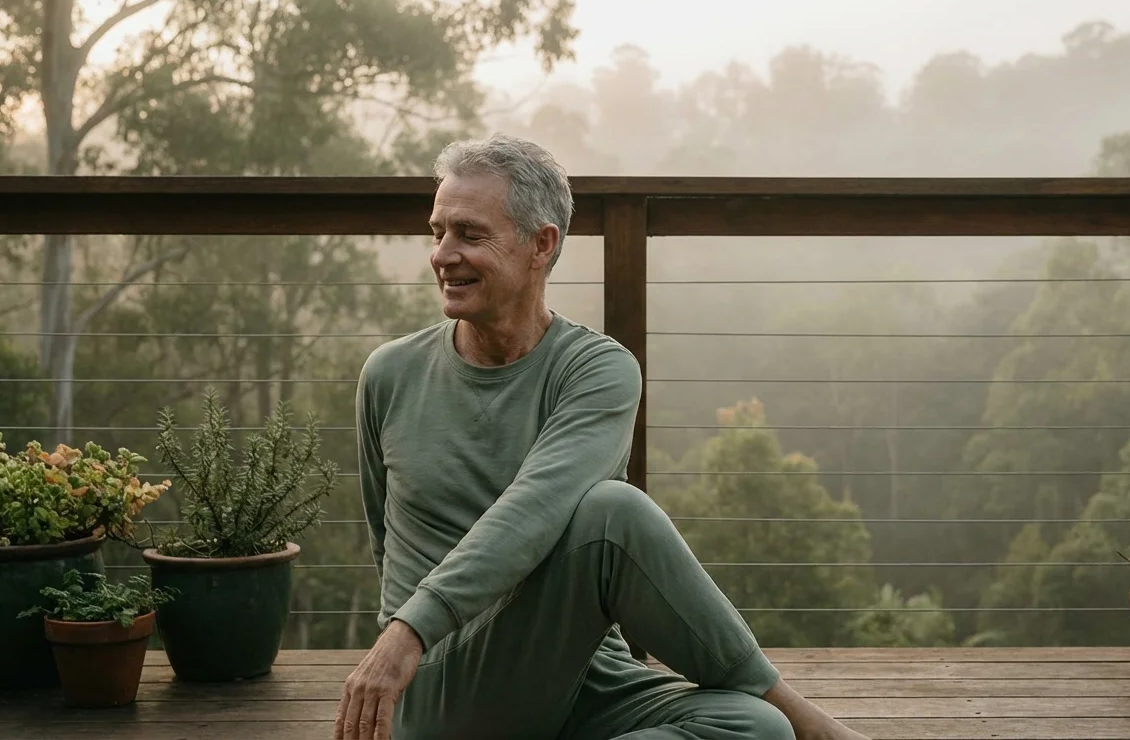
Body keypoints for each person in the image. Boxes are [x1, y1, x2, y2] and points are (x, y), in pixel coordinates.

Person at [335, 133, 871, 740]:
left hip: (581, 674)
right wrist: (406, 634)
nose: (443, 254)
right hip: (436, 674)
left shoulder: (597, 370)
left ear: (541, 244)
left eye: (469, 234)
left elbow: (539, 505)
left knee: (754, 727)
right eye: (438, 232)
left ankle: (783, 713)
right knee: (611, 513)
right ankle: (815, 726)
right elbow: (387, 541)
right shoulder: (390, 375)